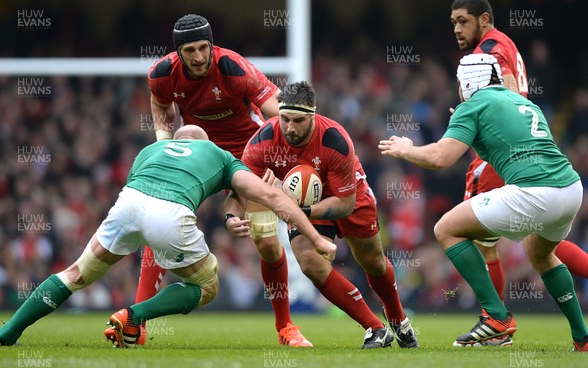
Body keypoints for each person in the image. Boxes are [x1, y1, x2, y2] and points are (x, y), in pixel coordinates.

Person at [0, 125, 336, 348]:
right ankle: (133, 315)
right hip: (169, 215)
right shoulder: (218, 154)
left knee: (76, 274)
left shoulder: (149, 151)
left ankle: (5, 334)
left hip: (128, 204)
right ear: (204, 142)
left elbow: (142, 186)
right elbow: (271, 197)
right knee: (207, 286)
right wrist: (317, 239)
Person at [378, 54, 588, 351]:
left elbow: (440, 158)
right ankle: (583, 339)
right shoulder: (523, 103)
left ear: (468, 83)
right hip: (570, 189)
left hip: (536, 192)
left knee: (446, 229)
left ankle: (497, 316)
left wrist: (406, 149)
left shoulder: (473, 105)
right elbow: (505, 151)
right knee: (540, 254)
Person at [132, 14, 316, 347]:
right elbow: (160, 104)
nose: (199, 57)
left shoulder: (233, 68)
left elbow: (276, 109)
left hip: (249, 156)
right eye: (191, 50)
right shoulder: (161, 74)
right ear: (178, 53)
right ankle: (137, 322)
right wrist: (163, 143)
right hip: (199, 155)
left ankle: (286, 328)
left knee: (267, 241)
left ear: (212, 45)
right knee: (158, 225)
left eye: (204, 47)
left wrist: (285, 149)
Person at [224, 81, 419, 349]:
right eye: (284, 119)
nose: (290, 128)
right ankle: (375, 328)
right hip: (303, 203)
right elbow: (239, 187)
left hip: (348, 195)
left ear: (313, 116)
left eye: (299, 120)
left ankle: (397, 317)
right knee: (309, 263)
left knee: (373, 262)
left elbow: (345, 204)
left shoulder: (335, 141)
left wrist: (300, 210)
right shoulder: (263, 141)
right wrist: (230, 217)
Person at [451, 0, 588, 346]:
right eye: (453, 22)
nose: (456, 29)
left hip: (504, 154)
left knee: (466, 236)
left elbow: (508, 93)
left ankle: (495, 324)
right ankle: (575, 336)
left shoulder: (490, 49)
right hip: (521, 153)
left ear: (484, 19)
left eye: (462, 21)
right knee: (540, 248)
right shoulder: (503, 42)